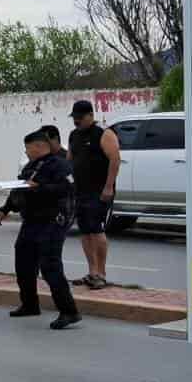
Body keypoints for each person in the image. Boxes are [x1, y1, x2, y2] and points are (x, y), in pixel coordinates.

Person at [0, 131, 80, 330]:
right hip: (32, 221)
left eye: (28, 148)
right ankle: (29, 304)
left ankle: (69, 311)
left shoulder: (60, 165)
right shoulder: (31, 166)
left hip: (52, 221)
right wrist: (5, 209)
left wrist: (40, 188)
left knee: (50, 266)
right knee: (23, 261)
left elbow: (67, 189)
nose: (26, 152)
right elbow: (18, 188)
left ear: (38, 146)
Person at [67, 99, 121, 290]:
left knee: (97, 231)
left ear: (91, 115)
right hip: (80, 191)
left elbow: (115, 160)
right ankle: (92, 272)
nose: (77, 121)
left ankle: (101, 273)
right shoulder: (74, 135)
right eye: (74, 118)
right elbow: (70, 161)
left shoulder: (104, 134)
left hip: (99, 192)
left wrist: (108, 187)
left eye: (80, 118)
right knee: (85, 232)